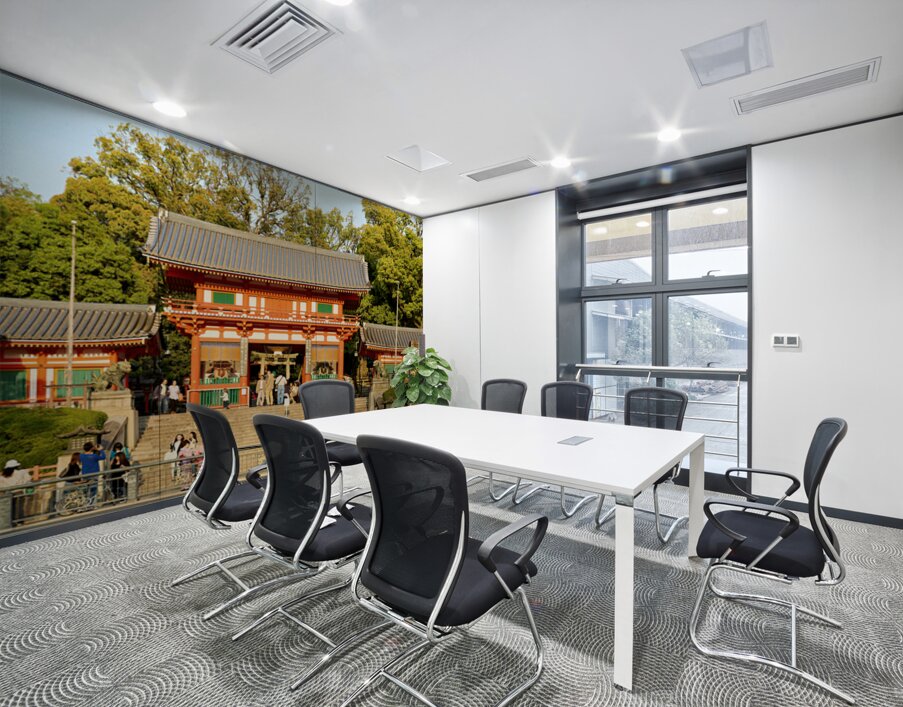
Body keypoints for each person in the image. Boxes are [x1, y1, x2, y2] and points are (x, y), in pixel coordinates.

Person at [0, 459, 33, 525]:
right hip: (19, 491)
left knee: (10, 508)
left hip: (7, 493)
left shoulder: (3, 475)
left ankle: (10, 521)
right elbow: (28, 478)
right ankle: (20, 521)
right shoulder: (21, 472)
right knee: (19, 507)